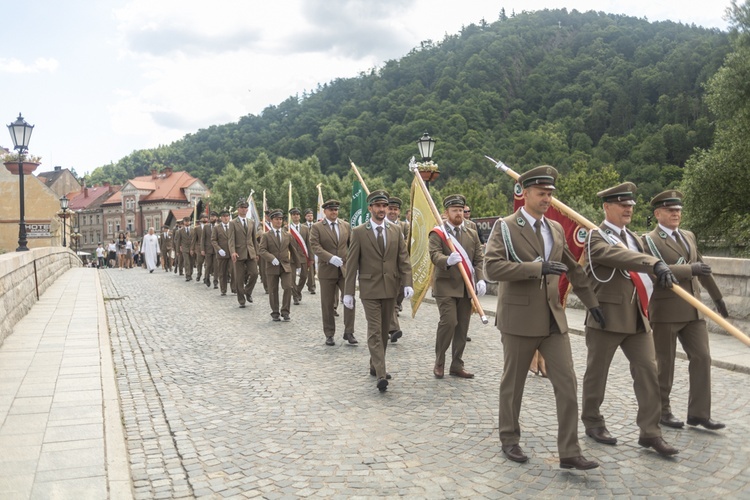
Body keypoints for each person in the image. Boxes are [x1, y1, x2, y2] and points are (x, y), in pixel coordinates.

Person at [484, 165, 604, 470]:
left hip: (553, 319)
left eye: (550, 194)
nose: (547, 199)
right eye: (541, 193)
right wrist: (535, 268)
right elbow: (492, 268)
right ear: (526, 193)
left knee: (567, 383)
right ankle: (509, 439)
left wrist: (592, 304)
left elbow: (574, 270)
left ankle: (570, 451)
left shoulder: (555, 229)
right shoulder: (506, 227)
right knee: (513, 384)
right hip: (519, 320)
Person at [581, 182, 680, 457]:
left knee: (648, 372)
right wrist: (653, 263)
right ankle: (592, 421)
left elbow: (646, 262)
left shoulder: (634, 238)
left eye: (631, 206)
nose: (628, 209)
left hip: (637, 317)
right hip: (606, 316)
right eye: (622, 205)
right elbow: (620, 257)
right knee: (597, 374)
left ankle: (650, 432)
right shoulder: (595, 237)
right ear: (606, 207)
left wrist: (667, 269)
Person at [643, 190, 728, 431]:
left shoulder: (688, 235)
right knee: (664, 363)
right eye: (670, 210)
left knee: (702, 358)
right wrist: (691, 269)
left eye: (678, 210)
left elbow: (703, 269)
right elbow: (656, 271)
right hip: (666, 311)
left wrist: (717, 298)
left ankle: (699, 414)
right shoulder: (649, 241)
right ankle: (663, 411)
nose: (676, 214)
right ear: (657, 213)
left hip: (694, 310)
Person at [344, 190, 413, 392]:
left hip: (391, 288)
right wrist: (348, 292)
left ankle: (375, 365)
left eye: (385, 206)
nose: (382, 209)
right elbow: (352, 263)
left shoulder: (395, 231)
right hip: (370, 289)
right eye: (378, 206)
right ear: (371, 208)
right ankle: (382, 374)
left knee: (383, 332)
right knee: (375, 331)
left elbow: (403, 259)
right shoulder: (358, 232)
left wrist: (407, 283)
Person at [430, 194, 486, 379]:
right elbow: (434, 255)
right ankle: (440, 361)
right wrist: (447, 260)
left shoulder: (471, 231)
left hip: (465, 287)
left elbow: (478, 258)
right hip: (445, 285)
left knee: (462, 327)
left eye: (461, 210)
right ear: (446, 212)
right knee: (449, 321)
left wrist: (480, 279)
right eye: (454, 210)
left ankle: (456, 364)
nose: (458, 214)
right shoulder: (438, 232)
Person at [310, 200, 357, 346]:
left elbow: (353, 245)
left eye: (336, 210)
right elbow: (315, 246)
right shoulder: (317, 227)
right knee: (328, 304)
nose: (334, 212)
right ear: (325, 212)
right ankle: (329, 333)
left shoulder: (345, 225)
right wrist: (330, 258)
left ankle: (349, 331)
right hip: (327, 269)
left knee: (350, 300)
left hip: (344, 269)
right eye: (331, 210)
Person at [259, 209, 300, 321]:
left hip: (285, 266)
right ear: (272, 220)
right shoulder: (266, 235)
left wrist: (298, 265)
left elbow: (293, 250)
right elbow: (262, 250)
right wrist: (271, 258)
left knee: (288, 287)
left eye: (281, 219)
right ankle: (275, 312)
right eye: (276, 219)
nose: (279, 221)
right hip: (272, 267)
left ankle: (285, 311)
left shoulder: (287, 235)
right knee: (273, 290)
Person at [228, 201, 260, 309]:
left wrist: (256, 252)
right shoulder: (233, 223)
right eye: (242, 207)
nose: (244, 209)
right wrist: (232, 251)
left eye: (245, 208)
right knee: (239, 278)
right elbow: (231, 239)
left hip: (250, 252)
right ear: (238, 209)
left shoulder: (251, 222)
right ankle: (241, 300)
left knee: (255, 273)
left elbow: (253, 239)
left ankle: (248, 291)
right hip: (238, 253)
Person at [287, 207, 311, 305]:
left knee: (304, 276)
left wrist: (311, 257)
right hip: (291, 257)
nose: (296, 216)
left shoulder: (305, 228)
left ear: (300, 216)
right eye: (294, 214)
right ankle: (295, 296)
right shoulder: (287, 228)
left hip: (302, 256)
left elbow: (308, 244)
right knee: (291, 278)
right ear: (291, 216)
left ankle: (298, 291)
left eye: (297, 214)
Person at [211, 210, 235, 296]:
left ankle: (234, 288)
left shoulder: (233, 226)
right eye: (224, 216)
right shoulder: (216, 228)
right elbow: (213, 240)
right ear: (221, 218)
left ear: (229, 217)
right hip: (222, 254)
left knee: (234, 271)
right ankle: (223, 289)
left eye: (227, 216)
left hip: (232, 253)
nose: (225, 218)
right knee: (222, 272)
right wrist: (219, 249)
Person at [203, 212, 218, 288]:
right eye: (211, 217)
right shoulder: (206, 227)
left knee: (216, 266)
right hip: (208, 249)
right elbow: (203, 239)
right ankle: (207, 278)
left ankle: (215, 282)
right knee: (208, 265)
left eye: (214, 217)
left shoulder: (219, 226)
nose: (212, 218)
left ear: (216, 218)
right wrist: (202, 249)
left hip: (216, 250)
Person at [304, 209, 317, 294]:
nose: (310, 217)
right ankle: (312, 286)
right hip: (307, 250)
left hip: (317, 249)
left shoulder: (317, 225)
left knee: (315, 269)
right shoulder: (303, 226)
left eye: (311, 215)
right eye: (308, 215)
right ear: (305, 217)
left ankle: (309, 283)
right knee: (310, 268)